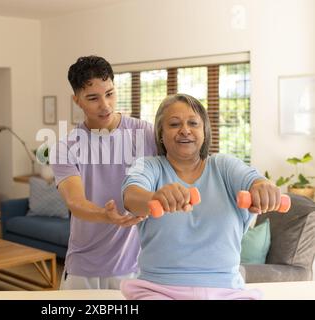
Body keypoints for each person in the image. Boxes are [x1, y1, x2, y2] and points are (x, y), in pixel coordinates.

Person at [120, 93, 281, 299]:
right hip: (158, 290)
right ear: (160, 134)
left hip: (227, 290)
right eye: (174, 124)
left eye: (193, 123)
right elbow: (131, 195)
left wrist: (263, 187)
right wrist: (154, 198)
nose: (185, 130)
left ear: (204, 131)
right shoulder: (148, 166)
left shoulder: (224, 166)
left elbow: (253, 180)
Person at [50, 55, 157, 290]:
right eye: (93, 98)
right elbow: (75, 202)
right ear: (77, 100)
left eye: (110, 93)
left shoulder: (145, 134)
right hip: (82, 269)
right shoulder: (65, 148)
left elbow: (188, 163)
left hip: (134, 268)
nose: (105, 105)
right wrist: (105, 215)